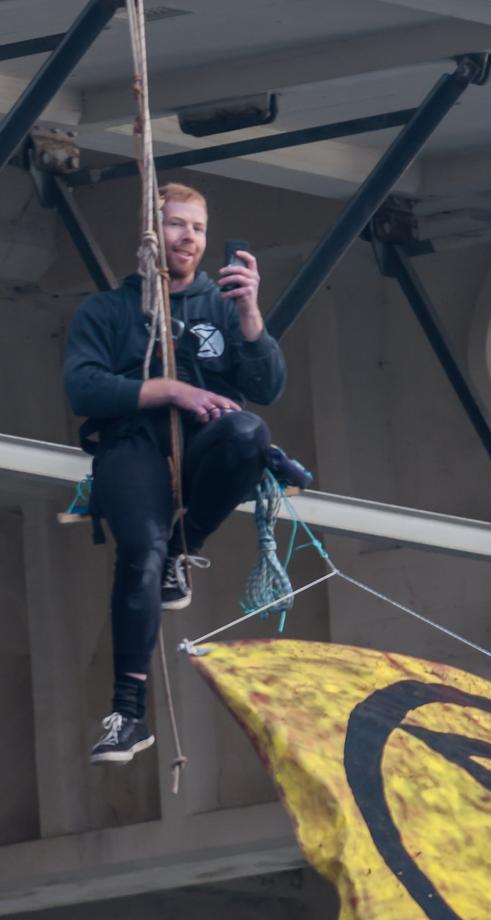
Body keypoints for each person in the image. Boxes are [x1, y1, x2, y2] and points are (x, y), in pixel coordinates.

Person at [64, 181, 287, 766]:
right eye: (174, 224)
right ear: (148, 234)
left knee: (250, 434)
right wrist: (168, 390)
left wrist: (250, 313)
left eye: (198, 228)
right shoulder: (109, 311)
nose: (187, 237)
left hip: (207, 448)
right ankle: (127, 714)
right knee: (139, 550)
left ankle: (186, 549)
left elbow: (267, 387)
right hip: (134, 445)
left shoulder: (222, 307)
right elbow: (81, 386)